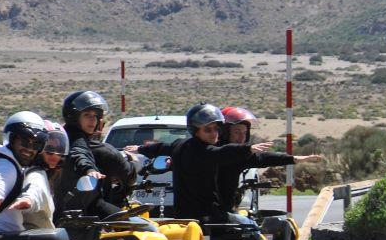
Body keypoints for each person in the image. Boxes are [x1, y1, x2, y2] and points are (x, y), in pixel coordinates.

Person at [131, 104, 318, 225]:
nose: (213, 133)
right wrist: (248, 149)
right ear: (196, 130)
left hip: (183, 216)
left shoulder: (180, 145)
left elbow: (160, 147)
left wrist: (139, 148)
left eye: (216, 129)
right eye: (208, 130)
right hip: (212, 217)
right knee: (252, 227)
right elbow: (224, 153)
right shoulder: (211, 152)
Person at [214, 106, 322, 215]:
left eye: (245, 132)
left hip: (225, 211)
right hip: (211, 212)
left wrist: (293, 159)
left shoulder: (241, 156)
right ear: (225, 132)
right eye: (237, 132)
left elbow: (264, 158)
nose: (242, 137)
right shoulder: (212, 152)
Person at [54, 89, 135, 218]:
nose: (93, 120)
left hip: (67, 207)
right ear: (74, 117)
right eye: (87, 115)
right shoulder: (78, 140)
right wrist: (89, 169)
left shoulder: (64, 138)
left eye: (95, 115)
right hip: (88, 207)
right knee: (145, 228)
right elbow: (78, 152)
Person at [0, 121, 62, 235]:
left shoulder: (16, 170)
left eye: (58, 148)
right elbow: (35, 188)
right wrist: (28, 200)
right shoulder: (36, 174)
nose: (55, 154)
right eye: (49, 147)